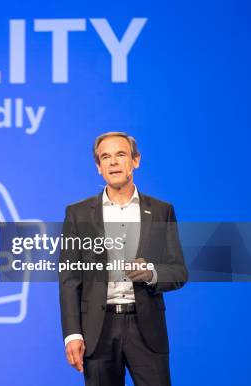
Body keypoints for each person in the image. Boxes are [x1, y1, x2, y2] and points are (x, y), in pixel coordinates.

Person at [58, 132, 188, 386]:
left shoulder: (161, 211)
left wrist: (151, 273)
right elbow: (69, 278)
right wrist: (72, 334)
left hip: (146, 329)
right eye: (105, 157)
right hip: (98, 330)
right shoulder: (78, 214)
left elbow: (179, 271)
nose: (113, 162)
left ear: (135, 161)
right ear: (99, 167)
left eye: (120, 154)